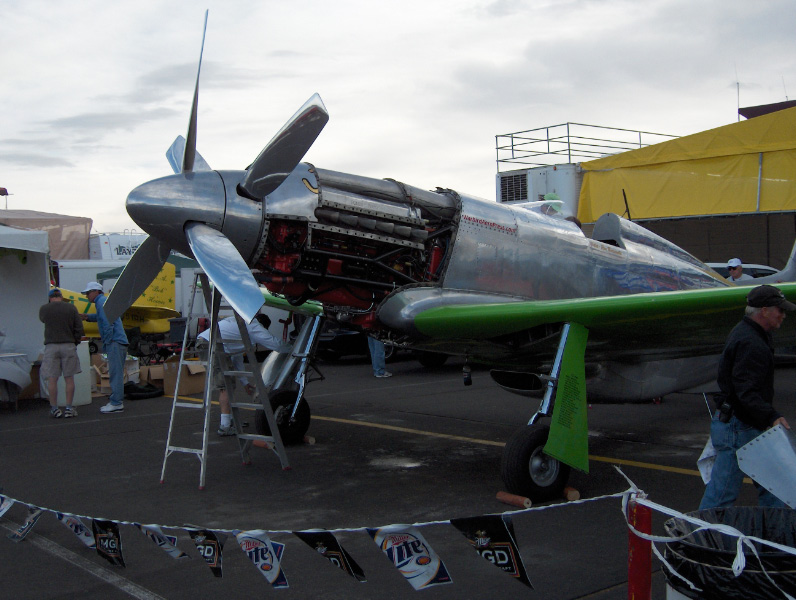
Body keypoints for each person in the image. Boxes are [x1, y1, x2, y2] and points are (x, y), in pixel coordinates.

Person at [699, 284, 794, 510]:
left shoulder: (751, 333)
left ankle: (773, 529)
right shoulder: (751, 342)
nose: (783, 314)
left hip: (745, 423)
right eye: (779, 309)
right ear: (764, 311)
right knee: (721, 496)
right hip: (738, 427)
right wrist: (772, 416)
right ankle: (703, 530)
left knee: (774, 486)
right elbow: (745, 391)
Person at [197, 314, 292, 436]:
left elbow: (237, 359)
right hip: (212, 346)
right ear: (262, 326)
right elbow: (274, 343)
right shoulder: (253, 325)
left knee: (229, 385)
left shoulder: (240, 324)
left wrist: (245, 383)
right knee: (226, 387)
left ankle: (230, 420)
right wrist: (294, 349)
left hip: (210, 343)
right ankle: (225, 426)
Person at [79, 282, 128, 414]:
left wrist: (107, 341)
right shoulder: (103, 301)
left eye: (88, 293)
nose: (87, 296)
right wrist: (88, 317)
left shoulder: (101, 302)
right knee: (116, 373)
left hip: (114, 341)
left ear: (96, 291)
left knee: (115, 373)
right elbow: (102, 317)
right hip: (118, 341)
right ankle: (116, 401)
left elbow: (107, 323)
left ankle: (116, 403)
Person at [39, 288, 84, 418]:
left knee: (52, 379)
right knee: (69, 378)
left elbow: (42, 320)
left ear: (50, 298)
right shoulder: (71, 308)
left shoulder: (44, 309)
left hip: (51, 346)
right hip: (68, 345)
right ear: (61, 297)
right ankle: (69, 408)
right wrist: (75, 341)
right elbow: (79, 327)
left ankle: (54, 408)